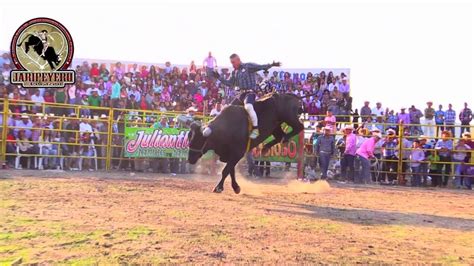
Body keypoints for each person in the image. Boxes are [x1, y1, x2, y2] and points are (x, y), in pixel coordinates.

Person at [214, 53, 280, 139]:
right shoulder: (235, 72)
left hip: (250, 92)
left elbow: (260, 67)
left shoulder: (248, 66)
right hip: (241, 94)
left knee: (248, 106)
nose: (232, 64)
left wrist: (271, 65)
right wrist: (219, 77)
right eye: (231, 63)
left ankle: (256, 129)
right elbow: (230, 83)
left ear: (238, 60)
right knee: (228, 109)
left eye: (233, 62)